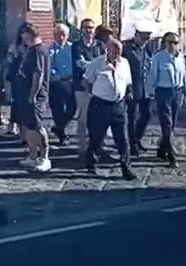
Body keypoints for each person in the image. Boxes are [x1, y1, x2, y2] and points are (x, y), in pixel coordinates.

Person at [82, 33, 136, 180]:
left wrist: (129, 93)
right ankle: (91, 161)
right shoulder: (97, 63)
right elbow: (86, 81)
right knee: (96, 137)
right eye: (114, 52)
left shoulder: (124, 63)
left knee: (123, 139)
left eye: (119, 52)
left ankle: (126, 167)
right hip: (100, 105)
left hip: (118, 105)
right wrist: (92, 94)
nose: (116, 55)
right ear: (107, 49)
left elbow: (128, 81)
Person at [13, 23, 52, 172]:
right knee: (29, 126)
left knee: (37, 126)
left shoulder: (38, 51)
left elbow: (38, 74)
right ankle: (32, 156)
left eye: (23, 33)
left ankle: (44, 157)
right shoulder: (30, 50)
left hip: (35, 96)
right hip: (24, 94)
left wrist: (33, 95)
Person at [151, 32, 186, 166]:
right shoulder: (159, 57)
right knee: (166, 124)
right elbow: (153, 75)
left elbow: (184, 75)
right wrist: (150, 92)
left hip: (177, 92)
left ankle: (162, 149)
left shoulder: (181, 57)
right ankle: (172, 155)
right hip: (163, 92)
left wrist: (185, 92)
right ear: (164, 43)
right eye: (170, 42)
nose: (173, 45)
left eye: (175, 43)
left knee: (172, 125)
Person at [71, 18, 103, 149]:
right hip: (81, 86)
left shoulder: (99, 46)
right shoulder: (76, 46)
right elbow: (80, 64)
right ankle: (83, 146)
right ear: (81, 29)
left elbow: (103, 62)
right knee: (83, 117)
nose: (89, 31)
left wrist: (92, 65)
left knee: (98, 118)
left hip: (98, 86)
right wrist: (95, 65)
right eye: (86, 28)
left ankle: (97, 145)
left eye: (91, 28)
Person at [122, 25, 155, 155]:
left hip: (145, 87)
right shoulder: (127, 49)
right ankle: (131, 144)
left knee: (147, 114)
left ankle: (137, 138)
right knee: (131, 117)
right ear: (136, 35)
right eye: (143, 37)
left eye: (147, 38)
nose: (145, 40)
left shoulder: (147, 48)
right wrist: (126, 90)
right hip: (132, 87)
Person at [48, 23, 76, 142]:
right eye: (57, 35)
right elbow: (50, 67)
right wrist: (58, 77)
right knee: (57, 109)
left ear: (67, 35)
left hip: (71, 82)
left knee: (72, 108)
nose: (60, 37)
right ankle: (62, 134)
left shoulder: (72, 48)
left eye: (63, 35)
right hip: (57, 83)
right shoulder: (50, 50)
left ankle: (59, 127)